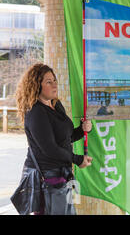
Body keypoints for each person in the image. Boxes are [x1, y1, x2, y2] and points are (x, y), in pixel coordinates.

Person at [12, 63, 93, 215]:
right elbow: (50, 148)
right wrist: (77, 159)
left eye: (54, 80)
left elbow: (65, 138)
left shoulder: (56, 105)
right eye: (48, 82)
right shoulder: (36, 113)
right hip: (47, 178)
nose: (54, 84)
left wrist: (82, 130)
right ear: (37, 86)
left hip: (63, 175)